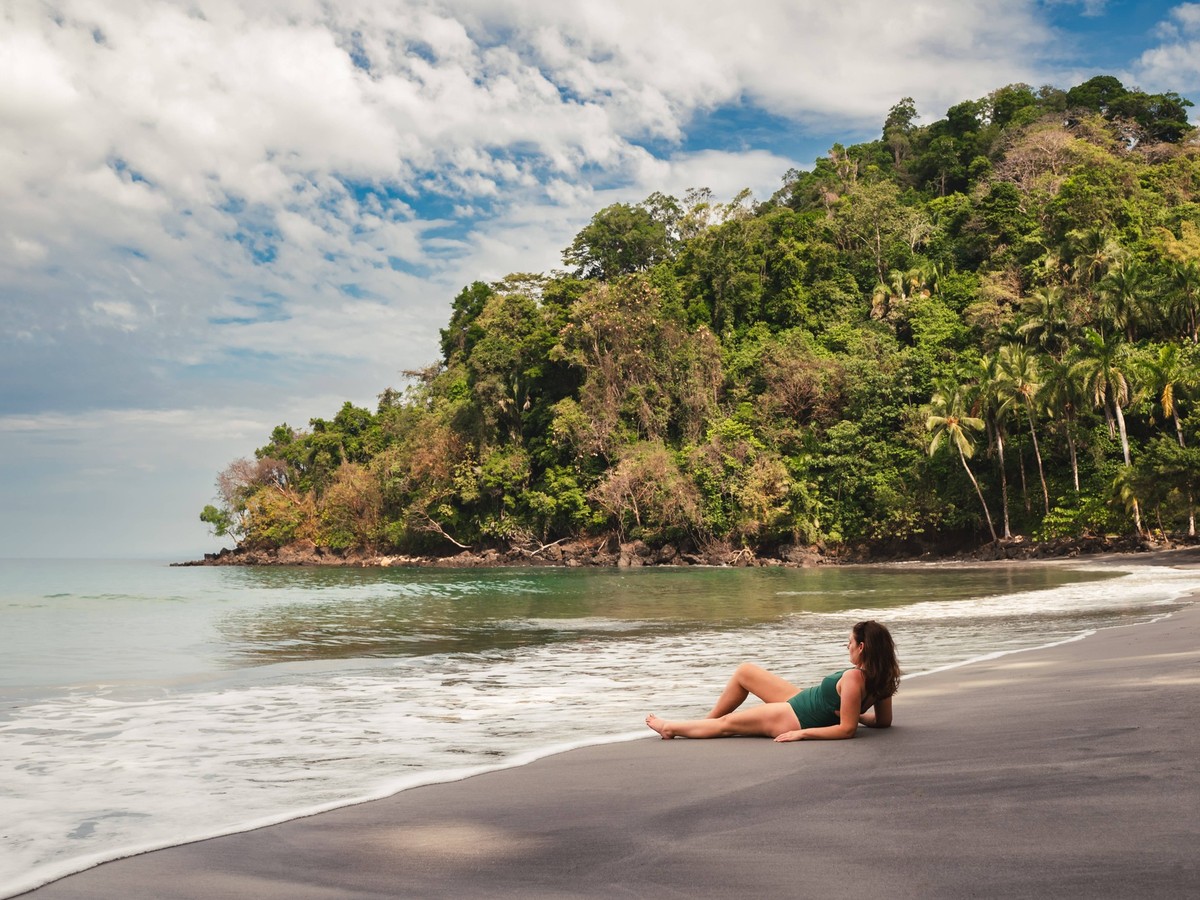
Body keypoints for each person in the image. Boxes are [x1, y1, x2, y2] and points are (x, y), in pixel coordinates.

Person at [645, 620, 900, 742]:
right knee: (745, 671)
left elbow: (846, 730)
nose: (847, 646)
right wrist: (855, 713)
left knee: (727, 724)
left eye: (850, 643)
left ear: (863, 647)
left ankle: (671, 728)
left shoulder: (855, 677)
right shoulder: (882, 676)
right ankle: (704, 722)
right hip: (803, 700)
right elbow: (882, 721)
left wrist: (801, 734)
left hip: (794, 716)